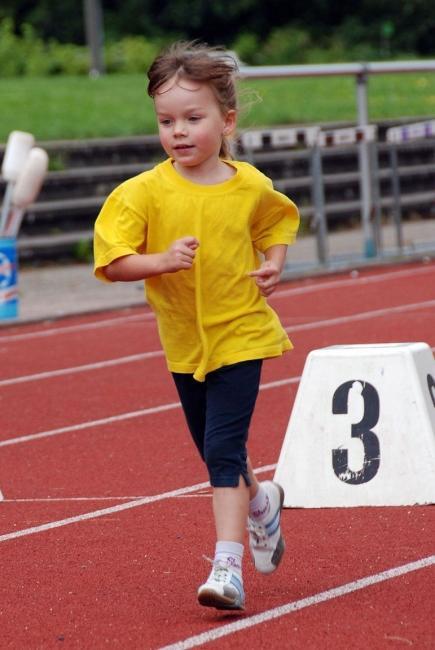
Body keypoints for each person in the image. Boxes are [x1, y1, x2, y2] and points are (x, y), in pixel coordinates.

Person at [93, 41, 299, 612]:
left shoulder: (249, 184)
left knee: (221, 448)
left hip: (242, 332)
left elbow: (278, 218)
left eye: (192, 118)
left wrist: (274, 263)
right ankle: (262, 502)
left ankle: (227, 568)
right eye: (166, 121)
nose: (178, 132)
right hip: (184, 343)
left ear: (226, 120)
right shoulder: (143, 193)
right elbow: (112, 259)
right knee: (219, 455)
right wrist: (158, 261)